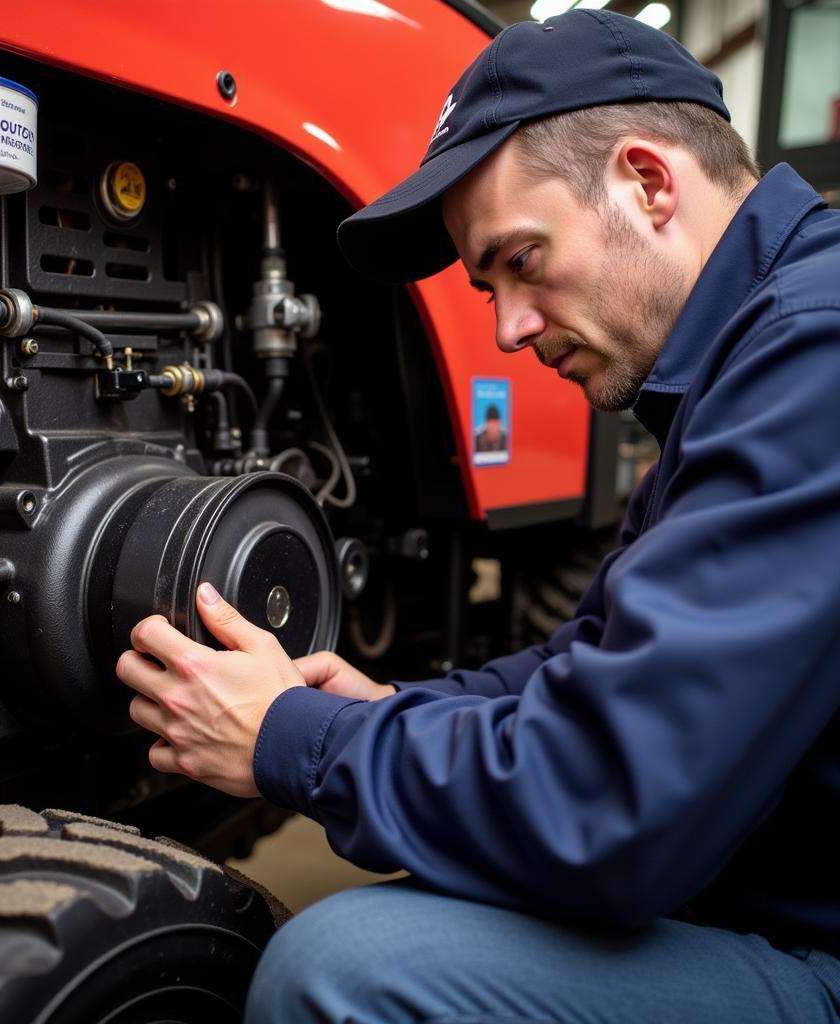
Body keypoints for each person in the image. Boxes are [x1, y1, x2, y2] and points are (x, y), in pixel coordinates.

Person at [116, 9, 840, 1022]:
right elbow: (588, 662)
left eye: (522, 259)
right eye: (485, 284)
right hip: (770, 882)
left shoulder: (815, 355)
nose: (507, 329)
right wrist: (383, 711)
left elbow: (611, 813)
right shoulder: (743, 361)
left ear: (648, 181)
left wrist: (294, 740)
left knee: (345, 966)